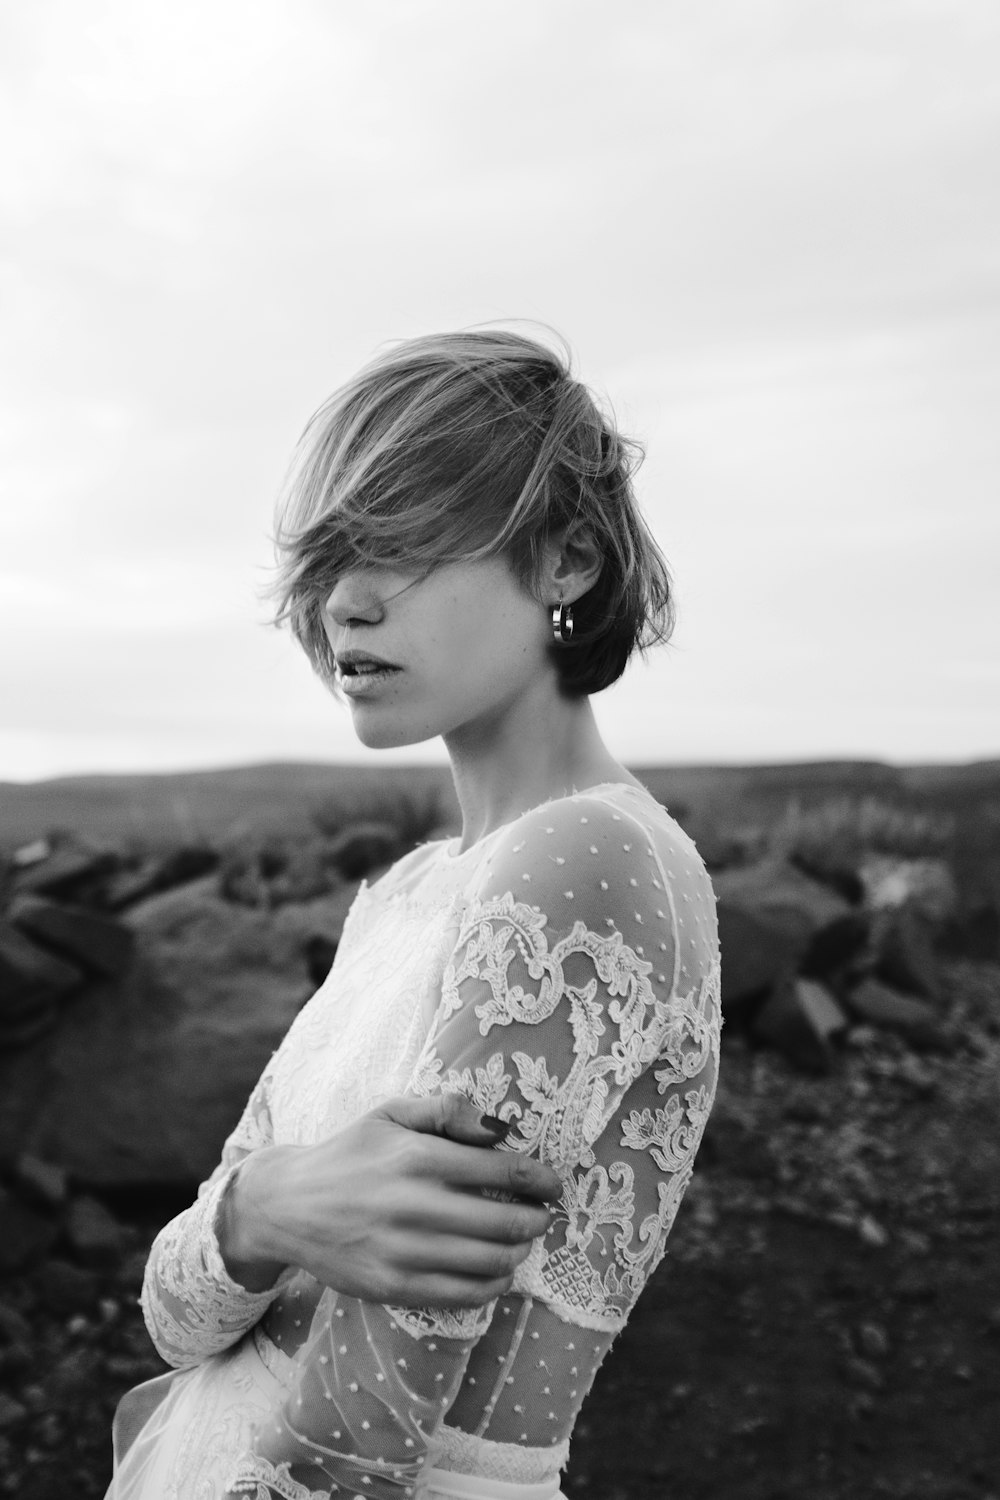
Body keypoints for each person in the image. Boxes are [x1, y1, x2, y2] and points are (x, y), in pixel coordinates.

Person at [106, 327, 721, 1500]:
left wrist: (255, 1222)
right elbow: (175, 1321)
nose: (343, 600)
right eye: (330, 556)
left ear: (567, 565)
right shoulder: (405, 895)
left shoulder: (584, 856)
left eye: (398, 545)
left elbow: (355, 1438)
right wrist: (267, 1204)